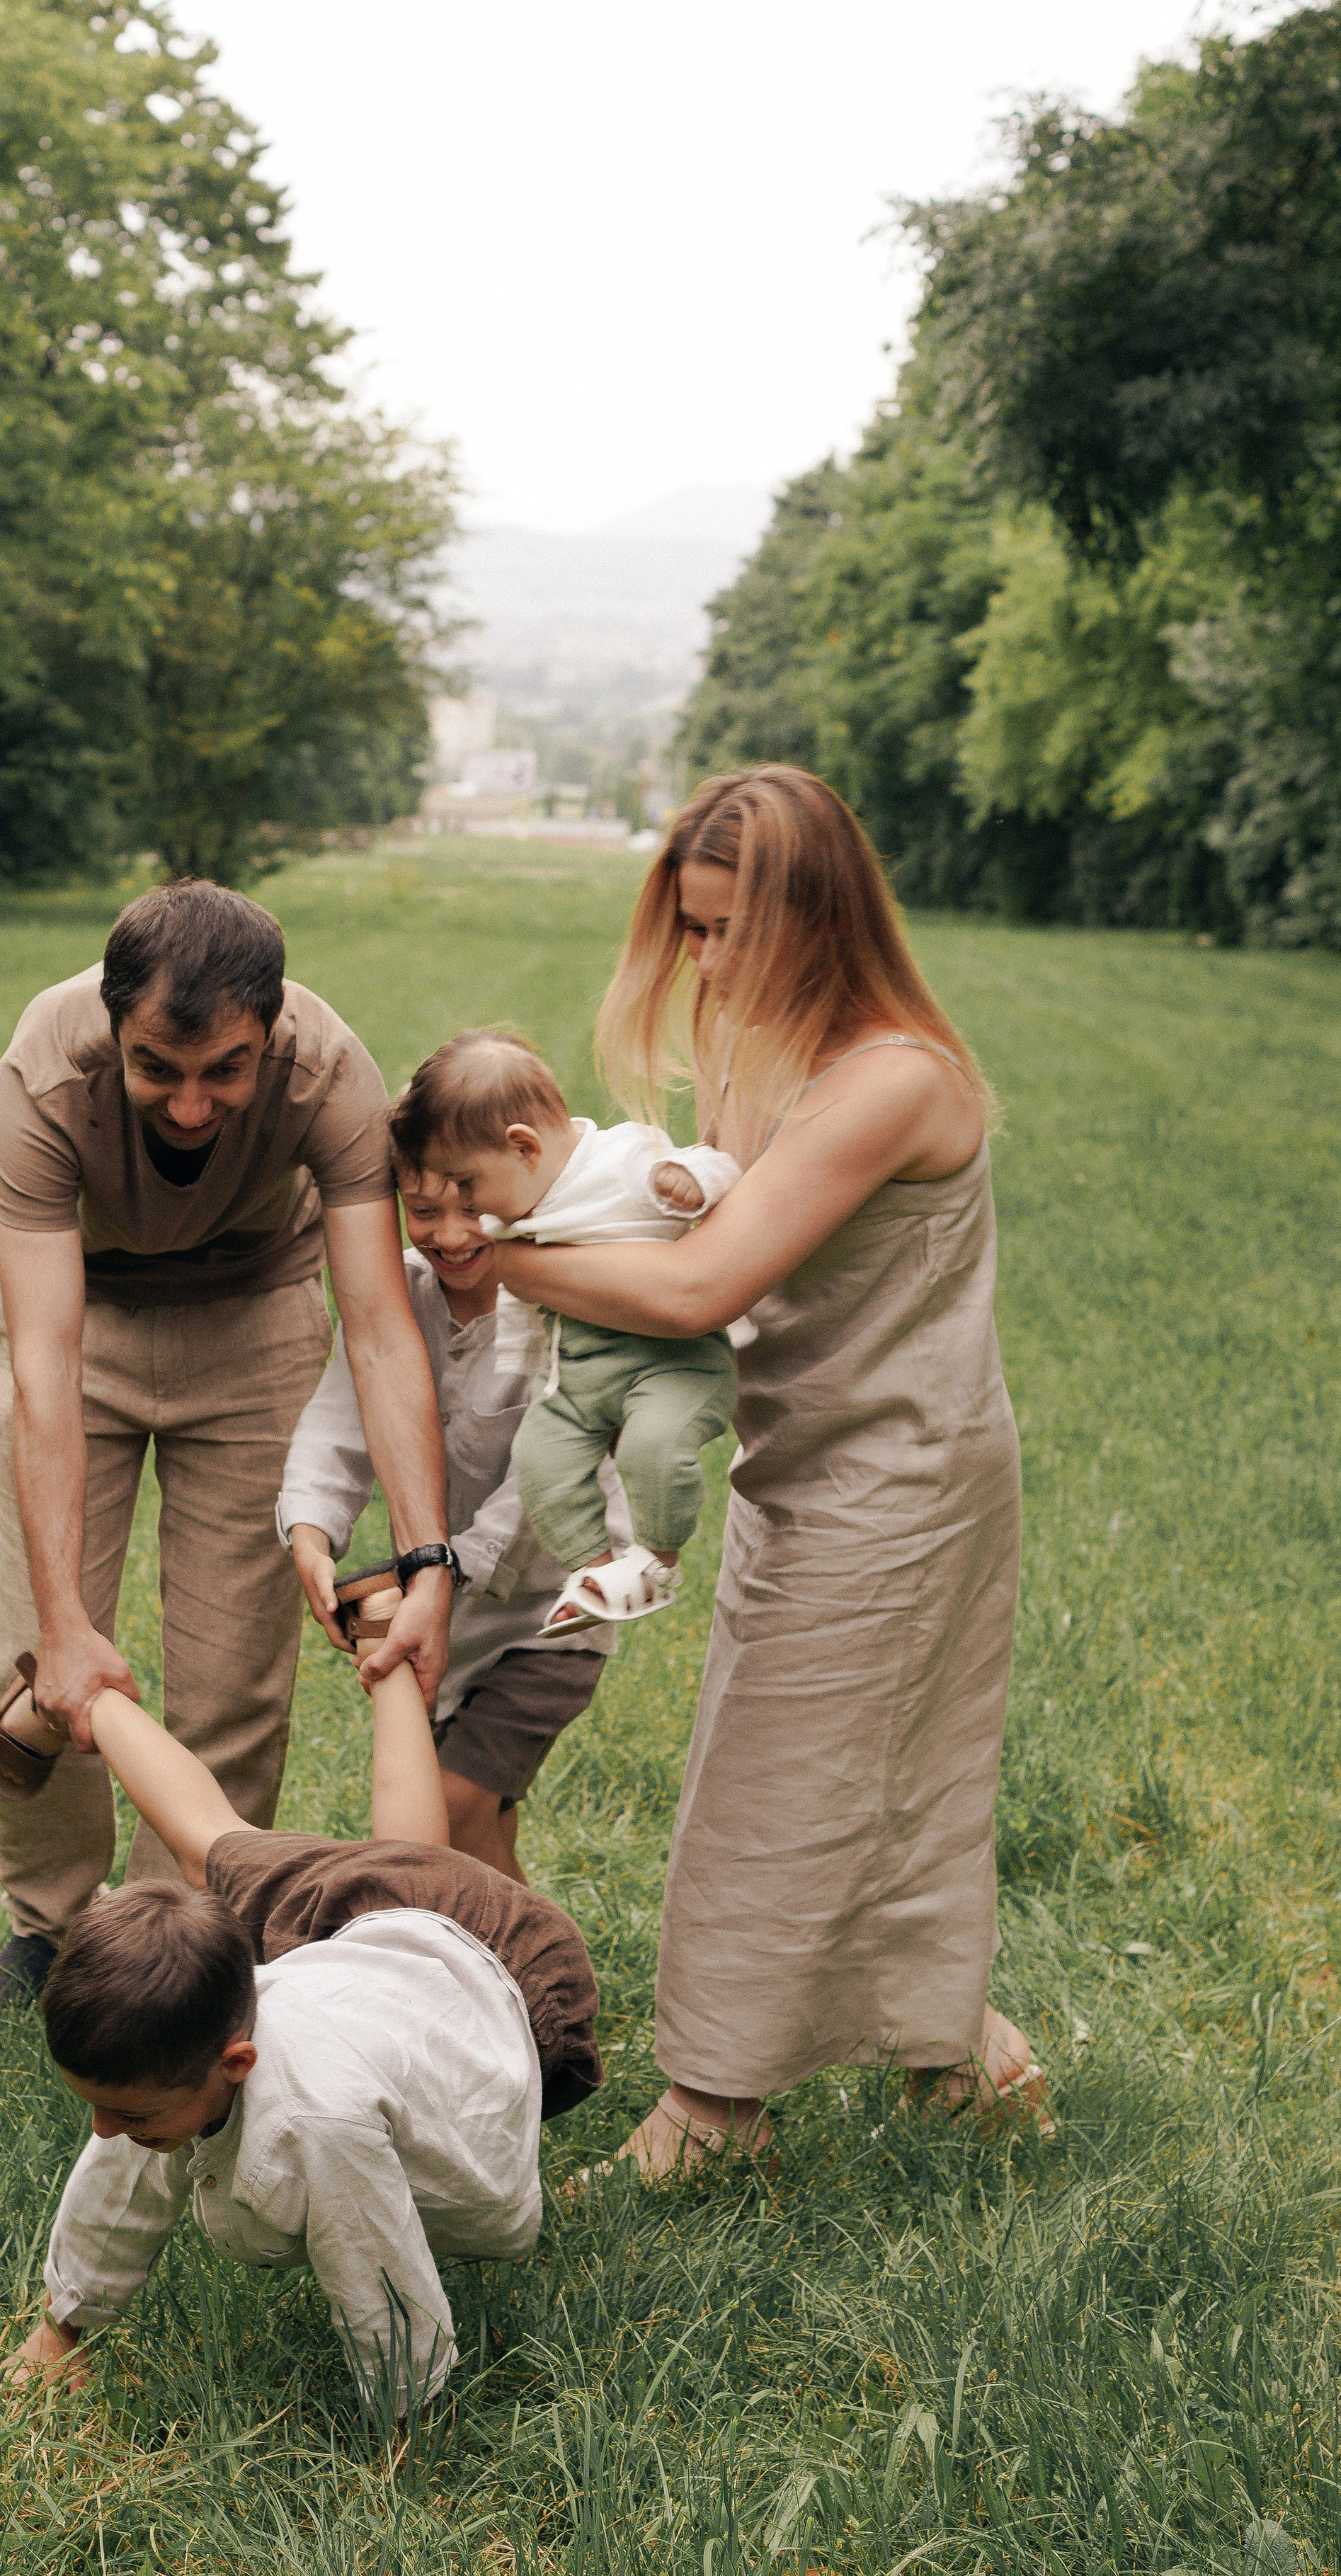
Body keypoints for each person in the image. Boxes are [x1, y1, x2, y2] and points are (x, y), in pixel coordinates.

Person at [495, 765, 1043, 2179]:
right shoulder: (759, 1052)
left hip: (906, 1478)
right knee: (866, 1773)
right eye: (688, 926)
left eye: (725, 927)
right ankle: (965, 2058)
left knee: (781, 1783)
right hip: (804, 1460)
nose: (701, 959)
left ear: (812, 917)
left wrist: (493, 1258)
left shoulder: (892, 1082)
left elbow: (699, 1289)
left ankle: (713, 2112)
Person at [0, 879, 459, 2002]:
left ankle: (177, 1933)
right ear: (113, 1026)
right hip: (83, 1331)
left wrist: (428, 1555)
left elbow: (383, 1332)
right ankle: (50, 1929)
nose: (192, 1106)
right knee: (31, 1662)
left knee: (232, 1680)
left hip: (253, 1324)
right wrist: (64, 1624)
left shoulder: (331, 1073)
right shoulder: (44, 1074)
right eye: (159, 1069)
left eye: (225, 1071)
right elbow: (45, 1359)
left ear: (273, 1031)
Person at [0, 1618, 601, 2410]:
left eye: (125, 2112)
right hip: (365, 1937)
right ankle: (87, 1686)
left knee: (378, 1855)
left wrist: (405, 2426)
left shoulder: (323, 2122)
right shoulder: (179, 2046)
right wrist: (60, 2331)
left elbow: (379, 2276)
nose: (105, 2129)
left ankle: (103, 1689)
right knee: (272, 1849)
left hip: (510, 1964)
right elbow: (120, 2182)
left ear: (236, 2057)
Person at [279, 1106, 635, 1882]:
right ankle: (530, 1974)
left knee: (453, 1803)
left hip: (554, 1618)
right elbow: (341, 1416)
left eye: (472, 1205)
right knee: (481, 1823)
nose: (449, 1234)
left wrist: (442, 1568)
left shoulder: (559, 1303)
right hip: (450, 1622)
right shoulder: (399, 1298)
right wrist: (311, 1524)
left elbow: (540, 1480)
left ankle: (507, 1970)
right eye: (423, 1210)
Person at [387, 1031, 741, 1635]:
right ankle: (594, 1569)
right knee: (540, 1457)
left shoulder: (625, 1162)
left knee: (651, 1445)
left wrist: (693, 1178)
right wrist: (534, 1375)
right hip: (580, 1376)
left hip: (673, 1366)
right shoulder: (518, 1208)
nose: (470, 1209)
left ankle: (659, 1559)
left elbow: (721, 1166)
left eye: (467, 1187)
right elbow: (528, 1304)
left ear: (523, 1147)